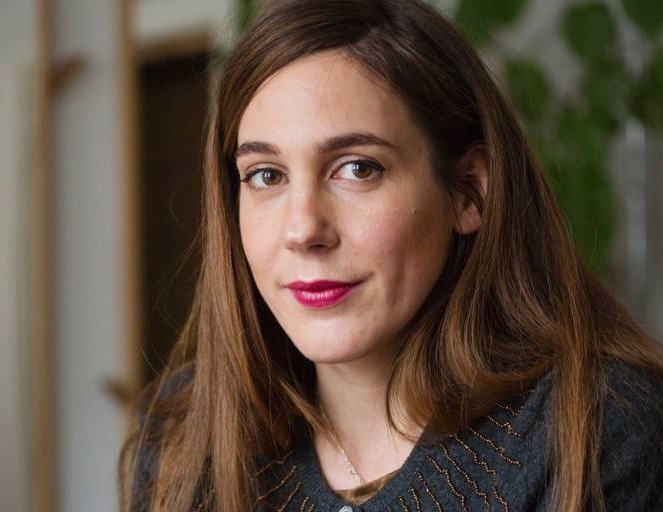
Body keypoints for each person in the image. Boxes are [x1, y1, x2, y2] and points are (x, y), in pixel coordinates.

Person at [118, 0, 663, 510]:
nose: (305, 229)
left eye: (358, 168)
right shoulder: (180, 442)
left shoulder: (599, 428)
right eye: (266, 176)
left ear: (468, 192)